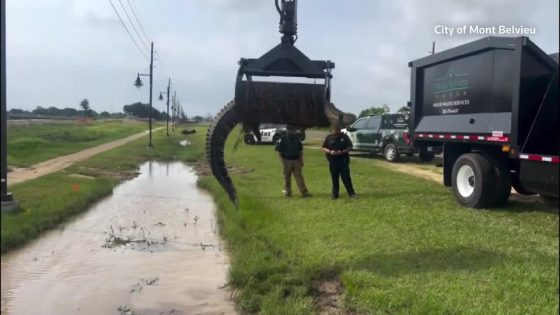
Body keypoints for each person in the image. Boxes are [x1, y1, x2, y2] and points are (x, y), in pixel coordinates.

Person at [275, 126, 311, 197]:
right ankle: (288, 192)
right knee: (287, 177)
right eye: (290, 130)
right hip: (286, 160)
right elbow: (279, 150)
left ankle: (304, 192)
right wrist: (282, 160)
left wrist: (301, 160)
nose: (292, 131)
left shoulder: (297, 139)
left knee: (299, 177)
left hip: (296, 160)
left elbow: (300, 150)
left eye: (293, 130)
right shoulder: (282, 138)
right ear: (287, 130)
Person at [322, 125, 357, 199]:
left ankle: (351, 193)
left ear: (340, 130)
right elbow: (323, 147)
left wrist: (341, 152)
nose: (336, 132)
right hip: (332, 160)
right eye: (335, 130)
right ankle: (335, 194)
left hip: (343, 160)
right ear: (333, 130)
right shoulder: (329, 137)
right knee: (334, 178)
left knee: (346, 177)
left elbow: (350, 147)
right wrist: (330, 151)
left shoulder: (344, 137)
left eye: (338, 130)